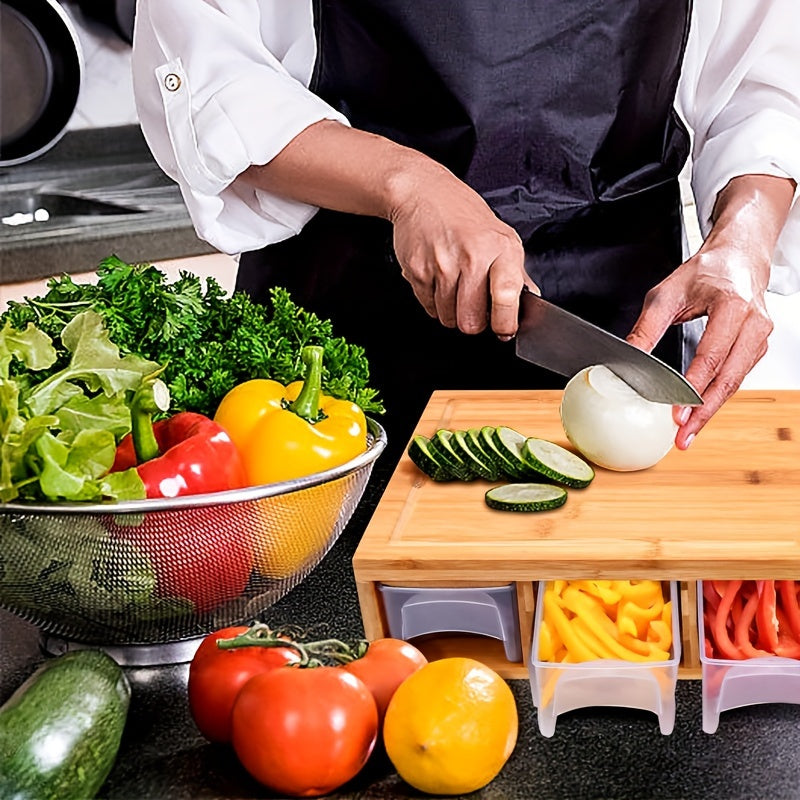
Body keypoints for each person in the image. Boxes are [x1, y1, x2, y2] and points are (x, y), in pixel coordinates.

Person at [130, 1, 799, 466]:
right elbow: (203, 72)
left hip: (621, 324)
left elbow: (764, 83)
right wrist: (406, 184)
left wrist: (743, 239)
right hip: (338, 362)